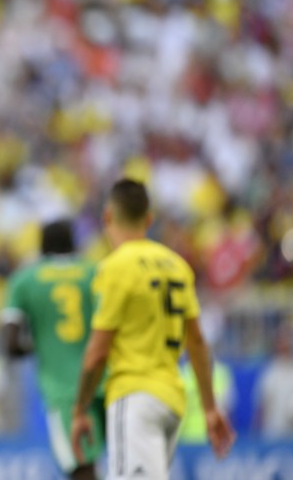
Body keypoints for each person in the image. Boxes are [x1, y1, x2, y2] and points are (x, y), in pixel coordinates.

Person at [71, 179, 236, 479]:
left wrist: (80, 410)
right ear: (148, 219)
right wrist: (210, 407)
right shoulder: (177, 266)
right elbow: (197, 342)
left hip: (134, 396)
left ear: (108, 216)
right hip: (172, 401)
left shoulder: (115, 267)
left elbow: (97, 352)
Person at [0, 219, 104, 480]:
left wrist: (42, 341)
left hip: (65, 390)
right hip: (105, 381)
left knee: (81, 467)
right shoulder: (95, 272)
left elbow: (10, 344)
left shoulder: (26, 279)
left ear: (42, 246)